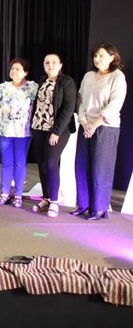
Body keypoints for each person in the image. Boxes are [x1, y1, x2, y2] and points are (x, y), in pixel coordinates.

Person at [73, 43, 127, 221]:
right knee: (81, 166)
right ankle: (84, 204)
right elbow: (79, 100)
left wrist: (95, 124)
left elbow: (115, 104)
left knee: (100, 168)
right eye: (95, 56)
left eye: (101, 56)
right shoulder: (88, 76)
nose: (97, 59)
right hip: (86, 125)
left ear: (112, 57)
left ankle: (99, 208)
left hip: (106, 127)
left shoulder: (117, 77)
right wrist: (84, 121)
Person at [30, 53, 77, 218]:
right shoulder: (42, 80)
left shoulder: (66, 82)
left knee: (51, 163)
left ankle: (55, 201)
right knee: (42, 164)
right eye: (47, 62)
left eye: (54, 62)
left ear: (60, 65)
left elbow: (68, 108)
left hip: (58, 130)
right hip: (39, 127)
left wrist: (56, 131)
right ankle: (47, 197)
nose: (50, 65)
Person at [0, 58, 38, 208]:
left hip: (23, 132)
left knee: (20, 163)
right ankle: (4, 193)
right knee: (7, 163)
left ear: (25, 72)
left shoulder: (32, 87)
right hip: (5, 130)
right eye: (12, 68)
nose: (14, 71)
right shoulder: (3, 87)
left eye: (18, 69)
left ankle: (18, 195)